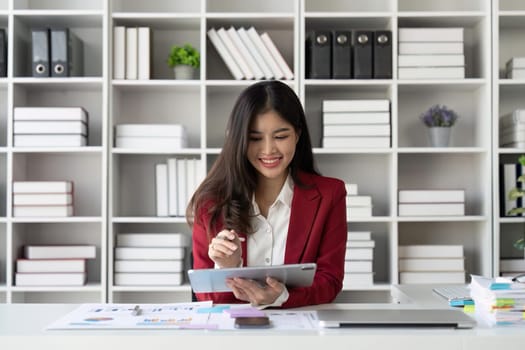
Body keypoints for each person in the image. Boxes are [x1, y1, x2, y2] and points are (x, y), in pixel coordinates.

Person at [186, 80, 347, 308]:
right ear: (239, 139)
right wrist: (228, 267)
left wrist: (283, 297)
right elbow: (207, 298)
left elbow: (329, 281)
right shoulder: (210, 202)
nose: (269, 150)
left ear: (298, 134)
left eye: (280, 137)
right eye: (255, 138)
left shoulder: (330, 195)